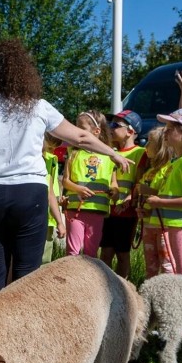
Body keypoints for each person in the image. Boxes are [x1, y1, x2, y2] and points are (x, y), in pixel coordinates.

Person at [0, 39, 130, 299]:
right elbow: (80, 138)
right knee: (27, 272)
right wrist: (113, 153)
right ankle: (25, 335)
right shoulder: (39, 107)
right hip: (30, 194)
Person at [145, 109, 182, 280]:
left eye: (170, 128)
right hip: (175, 224)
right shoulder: (178, 161)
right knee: (179, 269)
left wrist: (159, 202)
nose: (166, 131)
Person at [63, 110, 119, 258]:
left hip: (97, 211)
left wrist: (114, 191)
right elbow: (66, 181)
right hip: (76, 210)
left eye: (81, 128)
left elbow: (114, 183)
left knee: (91, 254)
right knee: (72, 253)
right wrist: (78, 189)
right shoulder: (73, 153)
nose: (76, 131)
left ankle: (87, 280)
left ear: (96, 131)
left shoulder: (110, 155)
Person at [100, 110, 146, 278]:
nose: (110, 128)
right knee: (105, 253)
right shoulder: (109, 152)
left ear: (130, 131)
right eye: (109, 124)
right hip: (107, 209)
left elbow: (140, 181)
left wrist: (130, 198)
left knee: (122, 253)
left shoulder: (140, 153)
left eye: (115, 125)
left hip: (126, 213)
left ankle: (123, 287)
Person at [137, 126, 175, 278]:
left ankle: (169, 295)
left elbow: (169, 196)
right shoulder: (150, 171)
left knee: (167, 263)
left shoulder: (169, 170)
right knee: (150, 265)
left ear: (161, 146)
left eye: (150, 142)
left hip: (164, 225)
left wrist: (148, 192)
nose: (146, 146)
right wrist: (144, 210)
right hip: (148, 223)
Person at [41, 133, 66, 264]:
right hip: (37, 218)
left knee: (44, 260)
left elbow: (51, 191)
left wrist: (58, 221)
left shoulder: (51, 159)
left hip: (48, 217)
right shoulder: (47, 158)